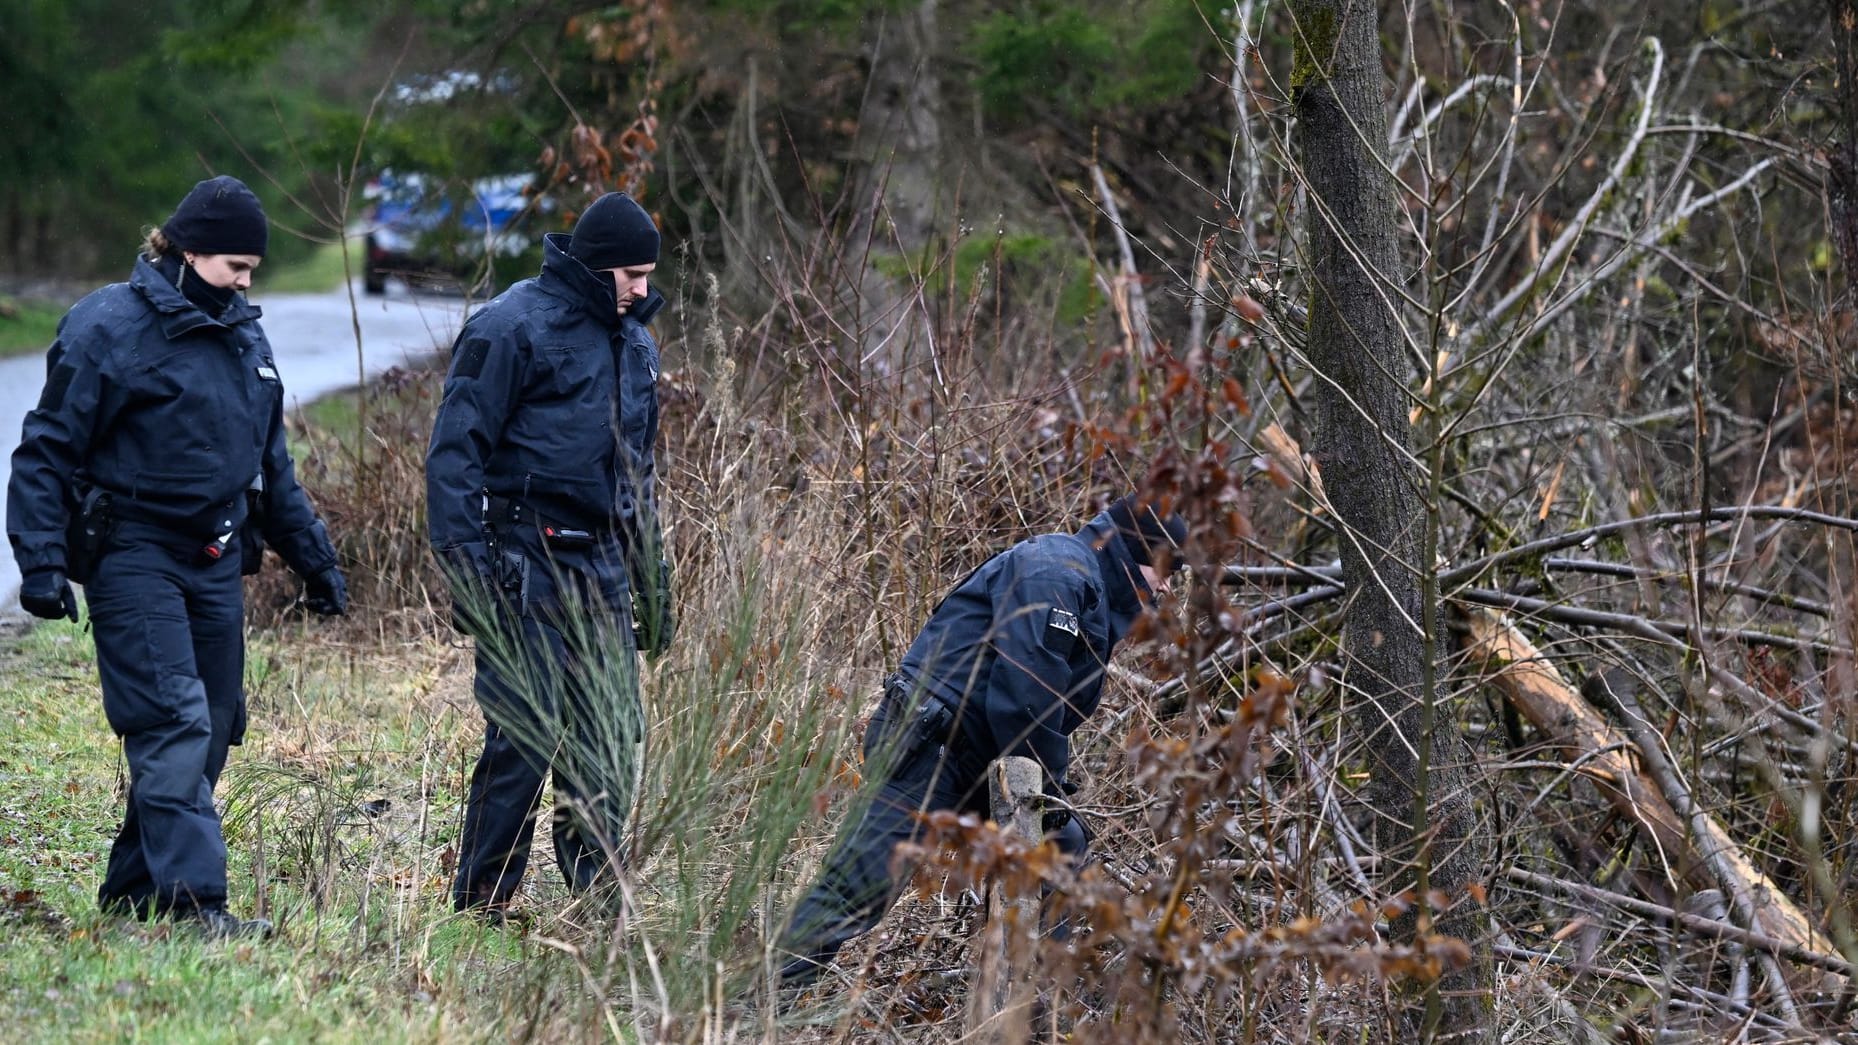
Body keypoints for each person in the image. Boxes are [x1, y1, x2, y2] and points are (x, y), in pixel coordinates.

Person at [6, 175, 348, 940]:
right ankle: (195, 907)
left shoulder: (243, 336)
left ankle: (132, 894)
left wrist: (316, 561)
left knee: (215, 727)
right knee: (171, 720)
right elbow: (46, 450)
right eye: (234, 267)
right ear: (188, 250)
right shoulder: (108, 327)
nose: (245, 282)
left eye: (252, 270)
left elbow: (270, 470)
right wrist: (39, 562)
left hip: (215, 557)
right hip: (131, 552)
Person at [776, 492, 1187, 989]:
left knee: (1060, 854)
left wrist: (1048, 809)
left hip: (978, 753)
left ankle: (1034, 1013)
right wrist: (1044, 795)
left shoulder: (1086, 586)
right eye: (1166, 569)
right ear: (1133, 552)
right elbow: (1025, 699)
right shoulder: (1058, 573)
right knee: (859, 887)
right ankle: (759, 1008)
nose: (1165, 586)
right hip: (931, 745)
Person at [426, 190, 675, 917]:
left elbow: (640, 477)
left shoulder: (637, 344)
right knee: (522, 744)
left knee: (609, 739)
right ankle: (480, 904)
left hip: (599, 571)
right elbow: (452, 460)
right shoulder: (508, 327)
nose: (643, 289)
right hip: (521, 565)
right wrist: (472, 575)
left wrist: (652, 586)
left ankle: (598, 904)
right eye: (631, 274)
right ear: (597, 267)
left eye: (648, 274)